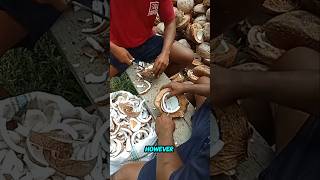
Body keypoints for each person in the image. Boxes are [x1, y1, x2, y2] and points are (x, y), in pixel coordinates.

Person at [111, 76, 213, 180]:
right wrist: (186, 87)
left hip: (189, 158)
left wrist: (165, 134)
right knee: (203, 80)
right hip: (209, 128)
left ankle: (155, 149)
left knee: (124, 173)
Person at [109, 0, 194, 78]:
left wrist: (165, 53)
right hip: (117, 46)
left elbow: (170, 23)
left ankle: (156, 81)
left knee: (187, 56)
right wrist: (114, 49)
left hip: (147, 41)